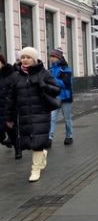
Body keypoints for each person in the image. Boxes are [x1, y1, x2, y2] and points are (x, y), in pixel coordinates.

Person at [5, 47, 60, 181]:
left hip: (40, 113)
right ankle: (42, 155)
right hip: (23, 114)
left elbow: (56, 90)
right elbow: (10, 98)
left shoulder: (43, 73)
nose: (25, 60)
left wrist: (43, 85)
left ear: (34, 59)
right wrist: (8, 117)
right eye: (23, 57)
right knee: (29, 143)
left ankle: (35, 169)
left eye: (28, 57)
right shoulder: (16, 76)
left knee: (37, 142)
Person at [48, 48, 73, 146]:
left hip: (66, 97)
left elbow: (66, 83)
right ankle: (49, 138)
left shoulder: (66, 69)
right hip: (55, 97)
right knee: (52, 118)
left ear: (58, 58)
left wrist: (53, 80)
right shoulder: (50, 70)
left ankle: (69, 136)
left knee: (67, 118)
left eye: (53, 56)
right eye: (51, 56)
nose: (51, 58)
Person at [0, 53, 16, 150]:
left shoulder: (10, 73)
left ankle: (17, 149)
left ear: (2, 62)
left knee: (10, 129)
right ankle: (5, 140)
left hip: (8, 105)